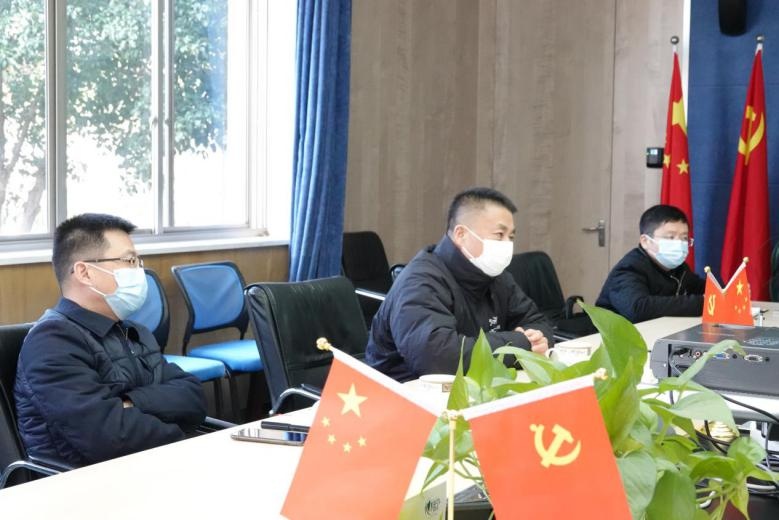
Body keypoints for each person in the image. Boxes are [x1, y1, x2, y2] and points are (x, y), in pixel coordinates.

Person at [15, 213, 207, 467]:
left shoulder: (133, 331)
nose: (139, 271)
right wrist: (183, 439)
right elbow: (110, 438)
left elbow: (192, 397)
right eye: (129, 260)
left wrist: (131, 402)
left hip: (151, 465)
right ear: (85, 272)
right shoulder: (52, 342)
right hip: (86, 482)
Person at [365, 187, 554, 383]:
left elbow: (539, 323)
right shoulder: (419, 282)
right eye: (499, 234)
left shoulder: (496, 276)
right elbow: (437, 358)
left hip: (475, 386)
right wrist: (519, 345)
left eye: (511, 237)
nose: (507, 244)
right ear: (461, 234)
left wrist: (535, 340)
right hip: (405, 393)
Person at [595, 204, 704, 323]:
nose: (679, 244)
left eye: (684, 238)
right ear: (645, 241)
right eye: (670, 237)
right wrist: (704, 302)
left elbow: (703, 288)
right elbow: (638, 309)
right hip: (612, 332)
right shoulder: (629, 268)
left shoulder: (679, 268)